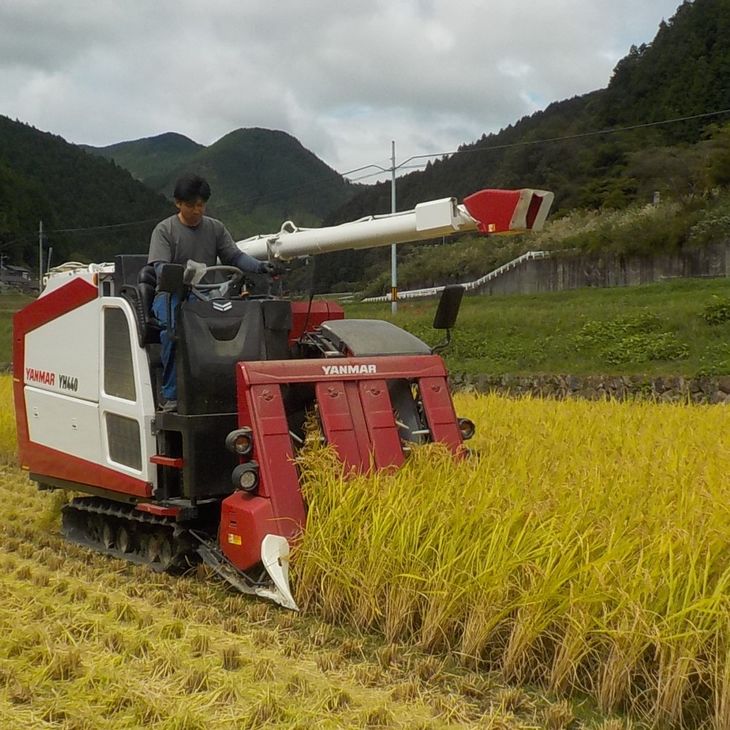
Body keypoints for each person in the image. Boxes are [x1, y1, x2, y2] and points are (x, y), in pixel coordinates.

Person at [148, 173, 274, 411]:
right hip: (171, 294)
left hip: (209, 294)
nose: (197, 210)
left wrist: (259, 266)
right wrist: (181, 278)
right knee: (171, 330)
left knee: (237, 326)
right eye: (191, 205)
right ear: (178, 203)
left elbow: (235, 257)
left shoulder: (215, 228)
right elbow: (160, 267)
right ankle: (171, 394)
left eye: (200, 205)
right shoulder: (164, 231)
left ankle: (232, 387)